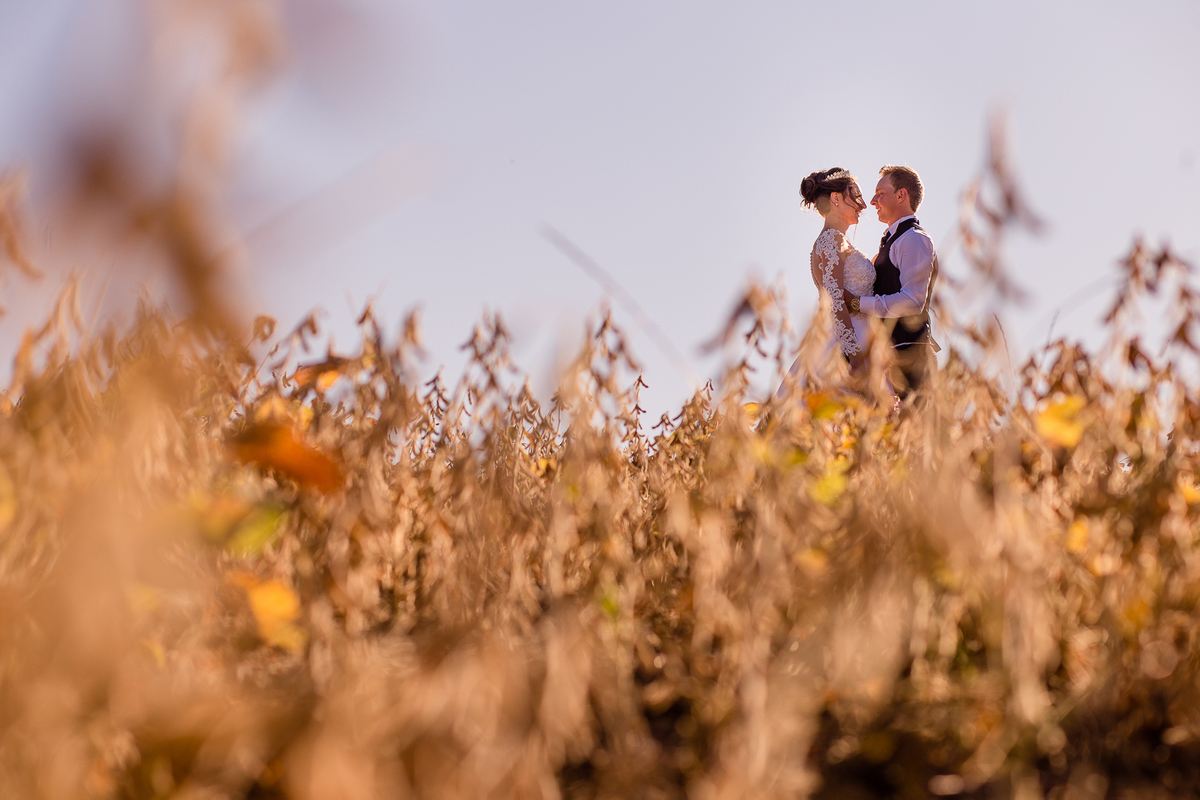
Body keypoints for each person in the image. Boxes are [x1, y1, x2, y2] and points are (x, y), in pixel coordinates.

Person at [845, 165, 939, 395]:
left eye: (880, 193)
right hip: (889, 359)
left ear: (901, 195)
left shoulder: (914, 239)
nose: (873, 200)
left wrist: (857, 304)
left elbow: (913, 300)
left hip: (910, 360)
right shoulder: (893, 241)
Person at [796, 167, 875, 373]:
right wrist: (856, 359)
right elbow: (835, 302)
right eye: (857, 196)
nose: (863, 205)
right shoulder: (832, 240)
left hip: (856, 337)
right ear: (836, 198)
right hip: (847, 346)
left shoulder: (832, 240)